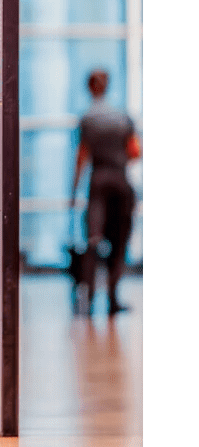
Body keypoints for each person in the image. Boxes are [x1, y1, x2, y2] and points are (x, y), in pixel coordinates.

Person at [70, 69, 141, 316]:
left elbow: (82, 158)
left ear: (89, 88)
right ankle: (112, 298)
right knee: (119, 242)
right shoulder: (122, 117)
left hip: (98, 183)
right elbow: (135, 152)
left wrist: (74, 190)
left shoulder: (87, 120)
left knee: (93, 240)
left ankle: (88, 296)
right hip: (120, 182)